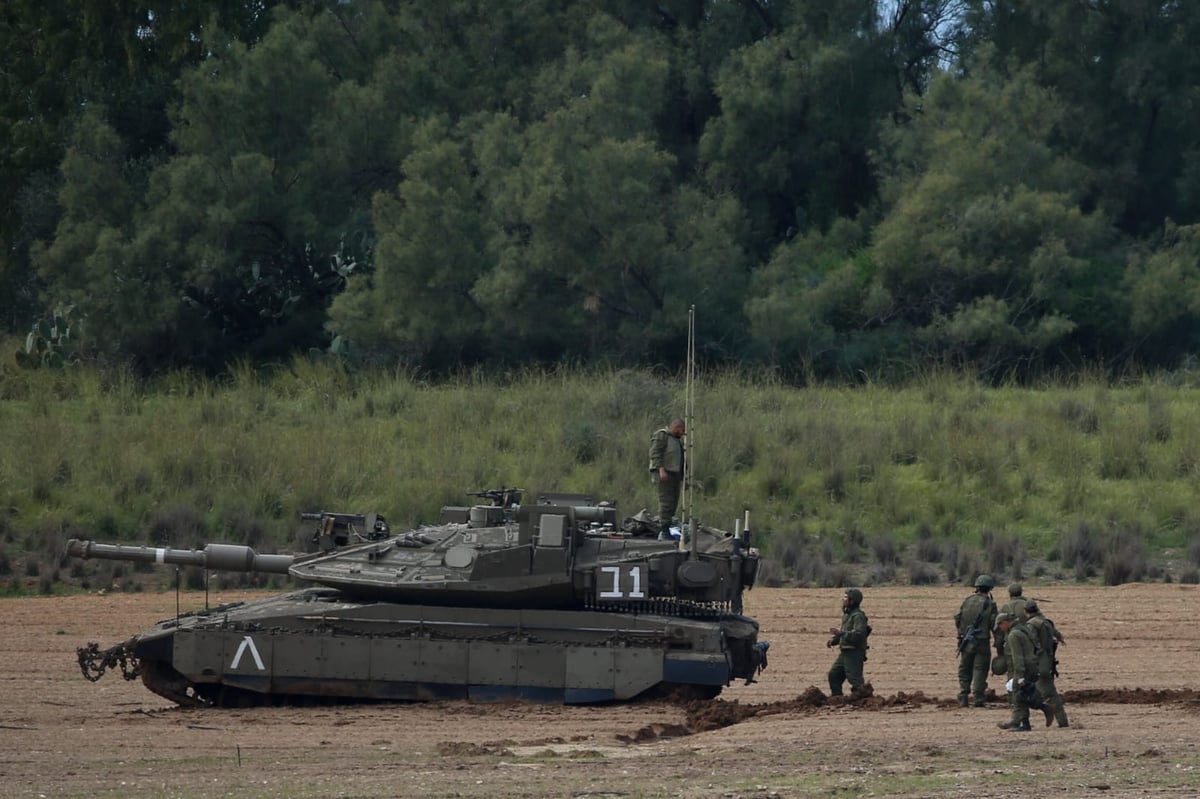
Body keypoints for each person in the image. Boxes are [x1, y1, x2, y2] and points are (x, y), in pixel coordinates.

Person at [995, 612, 1053, 731]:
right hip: (1031, 665)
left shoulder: (1013, 635)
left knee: (1020, 694)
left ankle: (1043, 708)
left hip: (1023, 668)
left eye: (1000, 626)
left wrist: (1020, 675)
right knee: (1021, 696)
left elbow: (1018, 657)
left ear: (1005, 623)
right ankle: (1019, 722)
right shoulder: (1023, 629)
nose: (1000, 629)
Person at [1023, 600, 1069, 728]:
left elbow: (1032, 642)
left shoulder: (1031, 624)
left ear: (1025, 612)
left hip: (1039, 663)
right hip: (1047, 661)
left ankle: (1060, 720)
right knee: (1046, 692)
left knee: (1047, 693)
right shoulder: (1045, 621)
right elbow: (1057, 635)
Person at [955, 574, 998, 707]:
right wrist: (998, 641)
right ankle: (978, 699)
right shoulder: (990, 604)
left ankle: (963, 696)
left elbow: (958, 618)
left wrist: (960, 634)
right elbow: (994, 624)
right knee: (980, 669)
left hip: (967, 640)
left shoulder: (967, 600)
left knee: (965, 667)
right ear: (989, 588)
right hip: (982, 641)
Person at [827, 588, 871, 696]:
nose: (843, 599)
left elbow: (858, 634)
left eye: (846, 597)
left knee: (855, 679)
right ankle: (837, 699)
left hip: (854, 652)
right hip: (845, 652)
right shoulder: (848, 615)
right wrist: (835, 641)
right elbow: (846, 633)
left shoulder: (858, 616)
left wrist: (841, 634)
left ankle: (865, 700)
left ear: (852, 600)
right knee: (834, 675)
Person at [647, 418, 685, 539]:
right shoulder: (662, 435)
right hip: (664, 473)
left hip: (675, 474)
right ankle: (664, 530)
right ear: (676, 427)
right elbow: (655, 453)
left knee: (673, 503)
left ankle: (667, 527)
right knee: (666, 503)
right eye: (681, 430)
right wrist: (661, 469)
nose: (682, 433)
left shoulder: (677, 440)